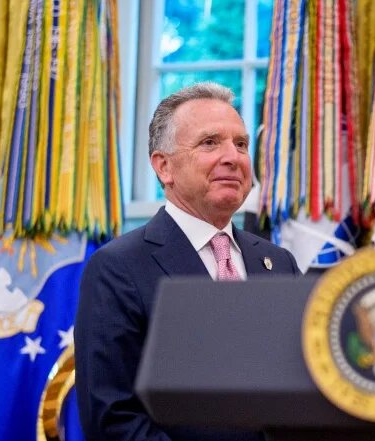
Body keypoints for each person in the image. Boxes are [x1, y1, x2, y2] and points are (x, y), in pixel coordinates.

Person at [76, 82, 301, 441]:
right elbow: (112, 417)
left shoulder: (278, 262)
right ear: (164, 167)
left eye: (241, 144)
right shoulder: (118, 268)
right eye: (210, 142)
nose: (234, 157)